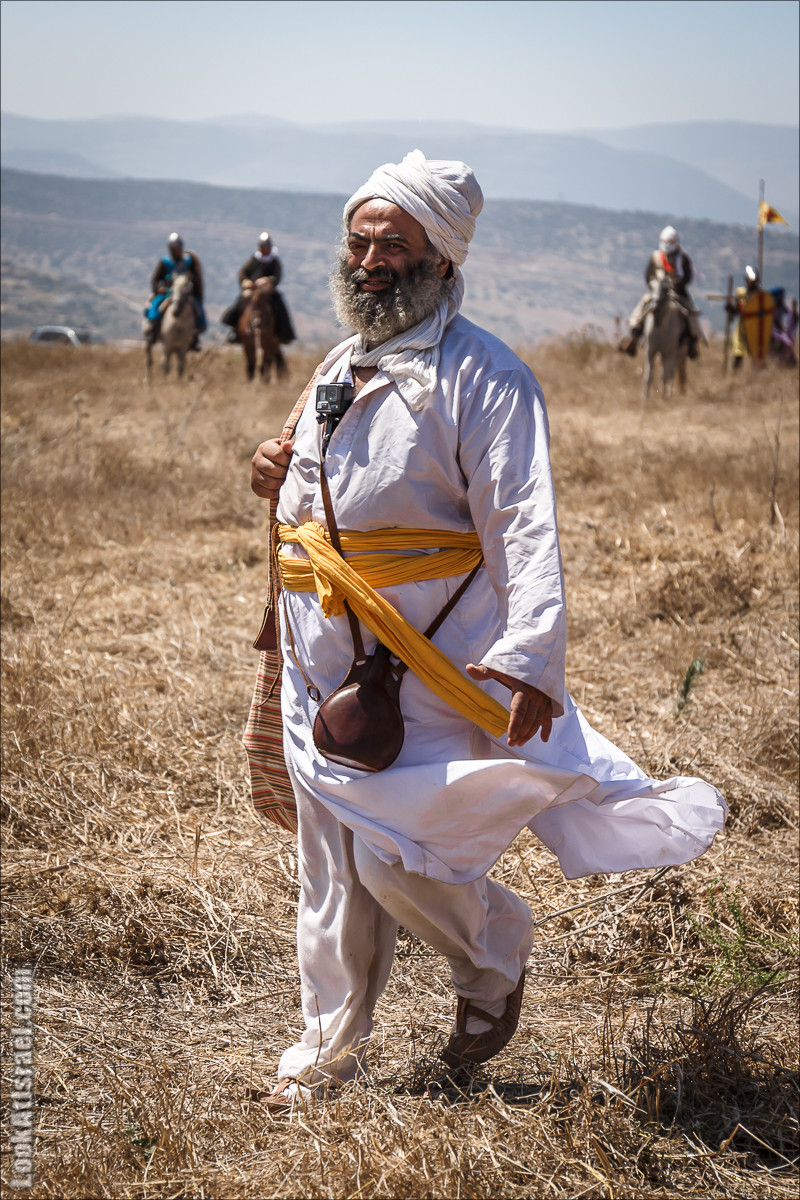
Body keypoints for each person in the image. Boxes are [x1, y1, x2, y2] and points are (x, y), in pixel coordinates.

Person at [247, 151, 726, 1112]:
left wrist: (531, 655)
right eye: (359, 241)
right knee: (330, 868)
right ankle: (323, 1059)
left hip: (429, 660)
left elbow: (524, 523)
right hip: (321, 660)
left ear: (443, 260)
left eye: (393, 245)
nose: (369, 261)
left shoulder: (488, 377)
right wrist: (275, 470)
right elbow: (319, 495)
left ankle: (493, 951)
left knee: (391, 854)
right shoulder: (338, 364)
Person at [620, 226, 703, 358]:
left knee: (690, 310)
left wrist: (677, 283)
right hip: (658, 292)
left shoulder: (683, 258)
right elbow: (648, 276)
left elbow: (687, 277)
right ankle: (634, 335)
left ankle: (693, 340)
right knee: (643, 304)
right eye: (664, 241)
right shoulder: (656, 257)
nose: (667, 245)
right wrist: (654, 285)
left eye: (669, 242)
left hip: (677, 293)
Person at [221, 232, 296, 345]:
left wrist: (268, 280)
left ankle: (283, 334)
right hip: (252, 290)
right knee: (241, 302)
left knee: (279, 306)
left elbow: (277, 277)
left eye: (265, 246)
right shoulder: (254, 259)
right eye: (262, 246)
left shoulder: (274, 261)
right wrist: (245, 281)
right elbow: (243, 272)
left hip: (268, 291)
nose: (264, 248)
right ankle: (235, 330)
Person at [145, 232, 206, 350]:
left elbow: (195, 277)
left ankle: (195, 335)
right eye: (177, 248)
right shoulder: (165, 262)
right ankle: (153, 331)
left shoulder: (188, 262)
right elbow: (155, 279)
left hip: (184, 294)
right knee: (156, 305)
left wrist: (191, 281)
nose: (179, 250)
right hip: (167, 293)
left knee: (197, 308)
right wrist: (158, 289)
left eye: (180, 247)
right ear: (171, 249)